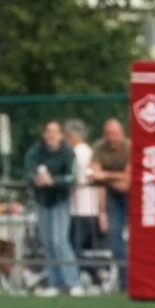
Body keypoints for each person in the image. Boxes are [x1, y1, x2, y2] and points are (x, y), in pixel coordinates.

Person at [25, 119, 77, 295]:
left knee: (59, 239)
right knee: (47, 241)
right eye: (48, 131)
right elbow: (28, 171)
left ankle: (72, 281)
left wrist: (53, 181)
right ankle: (55, 282)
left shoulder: (67, 152)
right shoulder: (36, 151)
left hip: (60, 199)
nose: (51, 135)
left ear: (61, 135)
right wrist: (36, 179)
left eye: (54, 132)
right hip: (42, 200)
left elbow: (72, 175)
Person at [90, 118, 131, 293]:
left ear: (122, 134)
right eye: (108, 134)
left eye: (115, 134)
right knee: (114, 236)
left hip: (134, 197)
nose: (111, 137)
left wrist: (104, 176)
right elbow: (92, 174)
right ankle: (124, 281)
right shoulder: (99, 148)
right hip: (112, 198)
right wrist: (101, 212)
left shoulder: (130, 147)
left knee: (139, 239)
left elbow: (129, 179)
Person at [65, 119, 104, 289]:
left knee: (74, 247)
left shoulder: (76, 153)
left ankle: (96, 272)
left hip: (80, 208)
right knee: (81, 247)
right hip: (89, 207)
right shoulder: (89, 152)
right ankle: (93, 274)